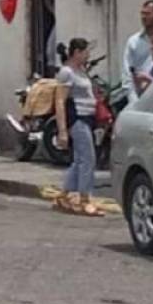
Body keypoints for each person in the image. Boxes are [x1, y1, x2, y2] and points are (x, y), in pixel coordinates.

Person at [53, 38, 103, 217]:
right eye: (85, 51)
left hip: (88, 117)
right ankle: (84, 198)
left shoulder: (82, 72)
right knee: (88, 158)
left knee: (79, 160)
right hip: (78, 118)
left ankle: (64, 195)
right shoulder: (67, 73)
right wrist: (62, 130)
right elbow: (60, 101)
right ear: (76, 52)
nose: (88, 55)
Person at [122, 0, 153, 99]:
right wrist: (134, 101)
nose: (144, 17)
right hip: (141, 97)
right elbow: (127, 74)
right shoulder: (133, 41)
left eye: (148, 14)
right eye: (142, 14)